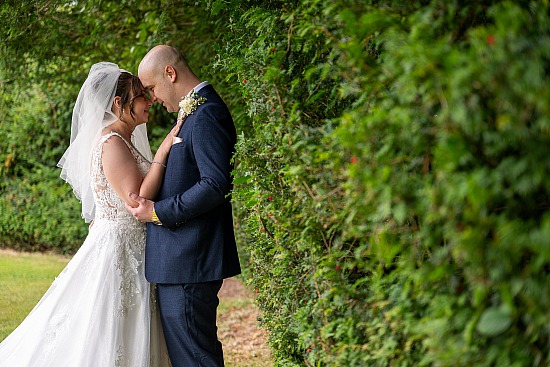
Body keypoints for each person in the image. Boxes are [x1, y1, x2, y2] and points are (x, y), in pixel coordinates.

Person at [0, 62, 181, 366]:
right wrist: (163, 152)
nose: (148, 102)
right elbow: (137, 198)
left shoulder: (122, 140)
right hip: (119, 250)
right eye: (140, 97)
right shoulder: (112, 143)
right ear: (118, 104)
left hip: (131, 246)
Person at [126, 45, 241, 367]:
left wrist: (159, 212)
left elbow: (215, 184)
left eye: (151, 88)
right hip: (181, 260)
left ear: (170, 73)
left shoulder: (206, 114)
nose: (152, 99)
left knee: (194, 358)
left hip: (189, 259)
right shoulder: (195, 112)